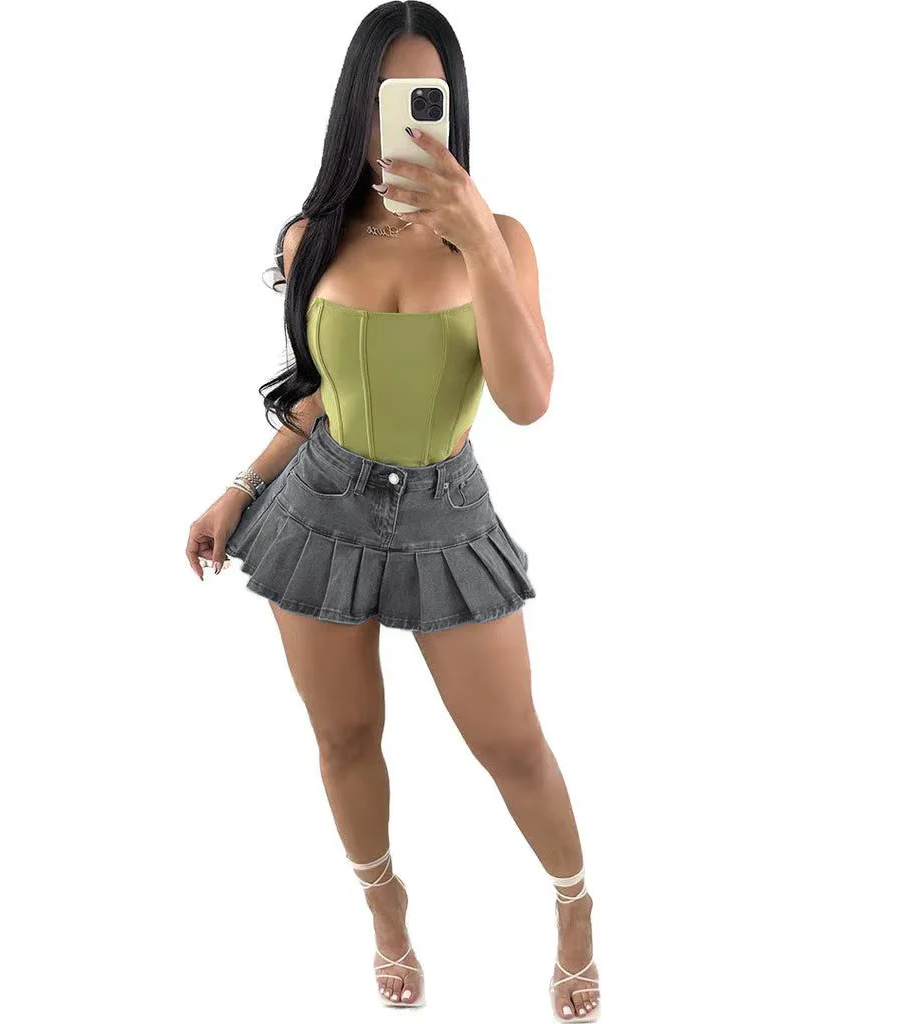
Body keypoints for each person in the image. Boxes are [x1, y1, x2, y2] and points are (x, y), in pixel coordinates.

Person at [185, 3, 600, 1019]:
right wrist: (241, 486)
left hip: (447, 517)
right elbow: (323, 393)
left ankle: (575, 903)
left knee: (511, 744)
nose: (406, 119)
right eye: (388, 96)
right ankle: (384, 906)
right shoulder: (311, 236)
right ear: (356, 104)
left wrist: (480, 244)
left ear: (452, 105)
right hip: (318, 510)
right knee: (344, 738)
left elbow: (528, 402)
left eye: (427, 96)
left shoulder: (501, 237)